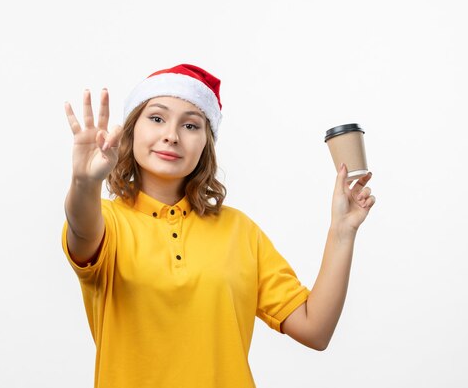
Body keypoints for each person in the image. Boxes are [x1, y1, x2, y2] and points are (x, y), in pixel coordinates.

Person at [61, 64, 376, 388]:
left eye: (191, 125)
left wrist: (342, 229)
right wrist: (84, 182)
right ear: (131, 130)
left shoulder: (240, 231)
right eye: (157, 118)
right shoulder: (107, 222)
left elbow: (315, 328)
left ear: (205, 144)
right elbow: (82, 228)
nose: (171, 135)